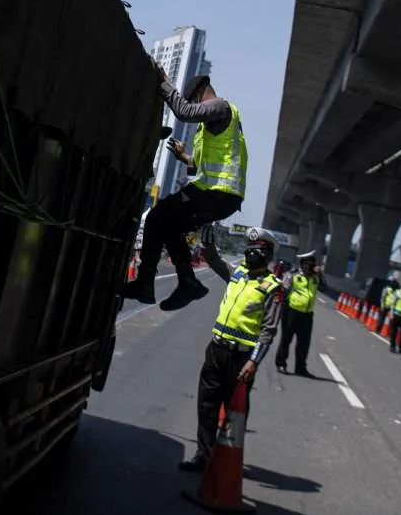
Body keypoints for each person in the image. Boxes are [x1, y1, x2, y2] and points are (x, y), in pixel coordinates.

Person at [124, 68, 247, 311]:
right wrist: (184, 158)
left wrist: (165, 84)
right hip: (217, 193)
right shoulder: (212, 127)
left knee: (157, 217)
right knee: (169, 226)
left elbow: (185, 112)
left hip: (216, 192)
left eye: (193, 99)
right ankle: (186, 283)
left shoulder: (221, 107)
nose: (192, 104)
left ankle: (148, 284)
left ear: (201, 91)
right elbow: (203, 166)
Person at [179, 225, 283, 472]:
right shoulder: (237, 274)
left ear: (267, 255)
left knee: (235, 413)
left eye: (257, 251)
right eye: (249, 249)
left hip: (242, 358)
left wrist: (254, 362)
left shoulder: (272, 287)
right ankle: (203, 455)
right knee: (207, 406)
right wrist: (208, 243)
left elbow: (268, 330)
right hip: (216, 350)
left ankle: (227, 461)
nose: (251, 254)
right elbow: (213, 260)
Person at [276, 251, 323, 376]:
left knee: (304, 343)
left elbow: (324, 288)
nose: (311, 267)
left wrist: (320, 274)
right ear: (303, 265)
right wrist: (283, 313)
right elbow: (283, 293)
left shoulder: (315, 278)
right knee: (286, 339)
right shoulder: (292, 275)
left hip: (307, 315)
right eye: (308, 264)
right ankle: (281, 364)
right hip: (291, 312)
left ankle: (301, 368)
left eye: (312, 264)